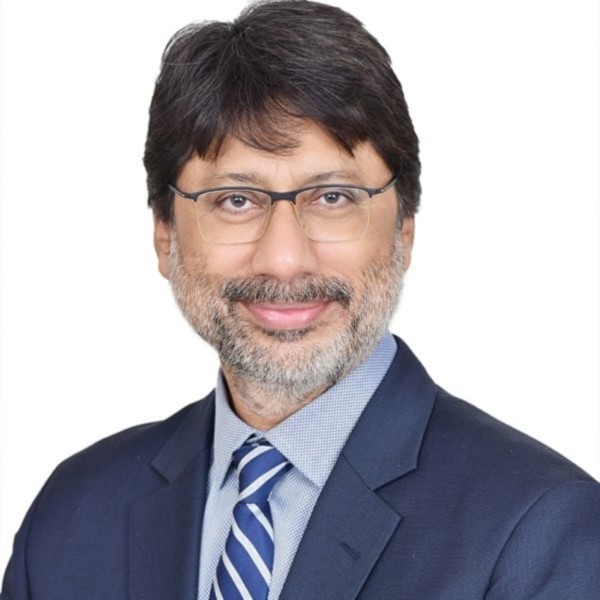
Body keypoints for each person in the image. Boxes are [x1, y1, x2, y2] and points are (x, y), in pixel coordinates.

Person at [2, 1, 599, 598]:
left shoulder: (544, 529)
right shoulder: (71, 516)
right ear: (165, 236)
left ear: (404, 230)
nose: (284, 259)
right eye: (235, 200)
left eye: (333, 197)